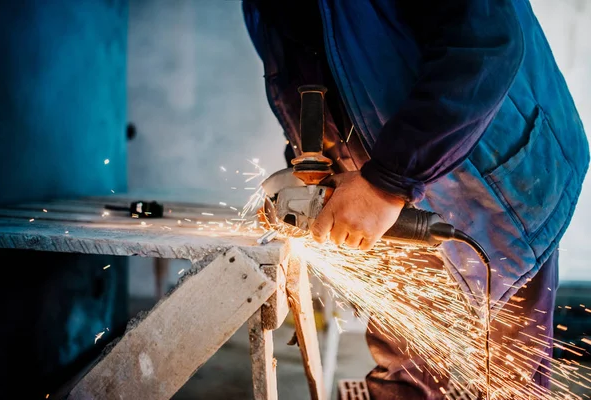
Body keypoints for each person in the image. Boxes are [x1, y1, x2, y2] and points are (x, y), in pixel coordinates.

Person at [242, 0, 589, 398]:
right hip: (378, 179)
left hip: (498, 179)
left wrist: (388, 182)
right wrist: (315, 171)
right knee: (403, 358)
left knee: (510, 367)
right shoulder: (259, 6)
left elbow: (485, 44)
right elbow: (310, 80)